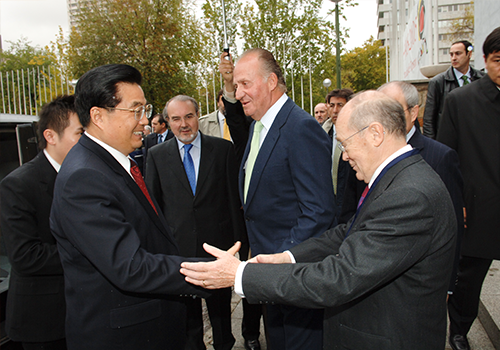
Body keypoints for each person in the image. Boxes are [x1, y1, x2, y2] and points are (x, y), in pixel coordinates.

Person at [180, 90, 457, 350]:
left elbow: (338, 278)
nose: (345, 155)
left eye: (346, 144)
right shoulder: (399, 179)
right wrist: (287, 257)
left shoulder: (409, 195)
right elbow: (348, 233)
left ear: (375, 134)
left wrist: (239, 274)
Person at [49, 64, 210, 350]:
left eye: (145, 109)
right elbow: (130, 266)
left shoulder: (118, 162)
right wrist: (209, 272)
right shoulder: (83, 177)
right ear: (98, 116)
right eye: (135, 111)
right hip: (124, 337)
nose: (145, 121)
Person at [230, 48, 335, 350]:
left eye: (245, 84)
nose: (238, 93)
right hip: (268, 272)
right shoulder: (257, 127)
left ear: (272, 81)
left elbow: (318, 211)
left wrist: (280, 258)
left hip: (293, 271)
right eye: (237, 85)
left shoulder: (300, 127)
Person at [145, 95, 245, 350]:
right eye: (176, 119)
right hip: (179, 253)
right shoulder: (156, 155)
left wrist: (239, 245)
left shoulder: (222, 150)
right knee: (188, 320)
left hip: (217, 250)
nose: (184, 124)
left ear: (197, 116)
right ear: (167, 122)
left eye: (189, 116)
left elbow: (234, 202)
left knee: (221, 314)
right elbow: (154, 208)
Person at [0, 95, 83, 350]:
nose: (87, 141)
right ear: (50, 136)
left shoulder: (85, 176)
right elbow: (26, 255)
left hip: (84, 314)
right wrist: (94, 253)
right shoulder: (19, 185)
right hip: (43, 320)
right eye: (80, 133)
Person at [437, 26, 500, 350]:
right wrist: (456, 201)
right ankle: (459, 330)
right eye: (498, 60)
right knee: (469, 279)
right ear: (486, 60)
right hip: (479, 206)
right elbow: (448, 158)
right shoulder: (461, 100)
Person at [377, 81, 464, 293]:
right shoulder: (365, 153)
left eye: (394, 109)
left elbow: (452, 227)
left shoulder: (441, 157)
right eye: (380, 109)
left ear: (414, 112)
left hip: (420, 281)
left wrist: (447, 286)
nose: (385, 116)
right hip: (372, 271)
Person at [423, 40, 484, 139]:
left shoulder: (482, 79)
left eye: (458, 54)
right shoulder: (438, 82)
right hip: (450, 140)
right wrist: (431, 147)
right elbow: (429, 119)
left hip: (477, 139)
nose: (454, 58)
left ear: (469, 54)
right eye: (451, 54)